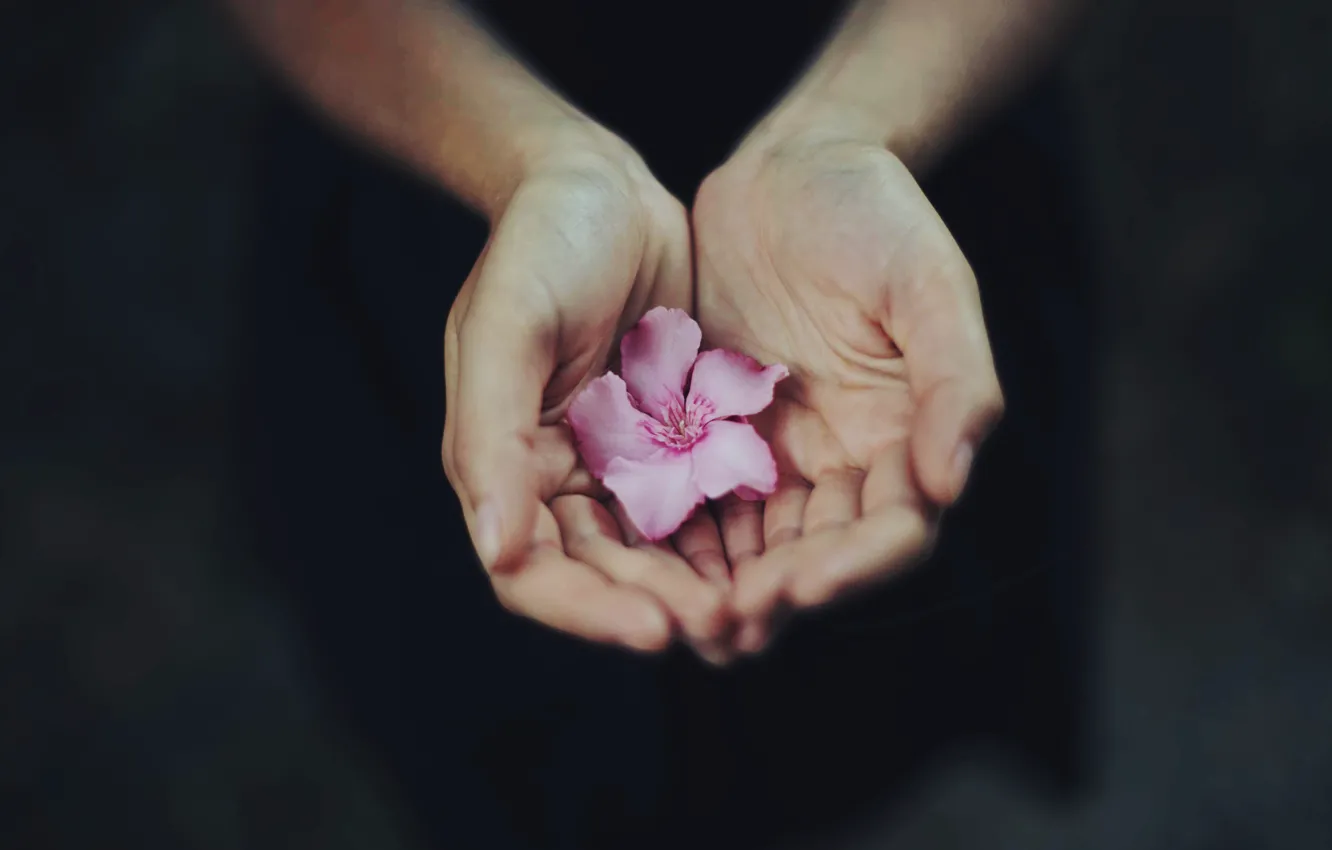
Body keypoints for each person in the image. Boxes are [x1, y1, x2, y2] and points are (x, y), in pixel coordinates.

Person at [229, 0, 1096, 847]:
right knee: (486, 728)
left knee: (881, 697)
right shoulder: (639, 407)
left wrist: (851, 125)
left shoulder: (728, 405)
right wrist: (532, 163)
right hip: (443, 157)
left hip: (902, 145)